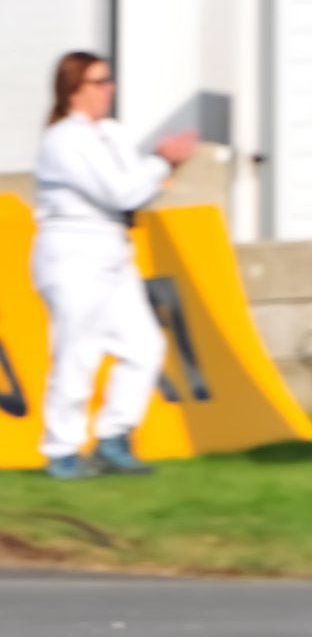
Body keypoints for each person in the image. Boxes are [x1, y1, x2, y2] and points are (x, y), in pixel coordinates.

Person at [32, 51, 197, 479]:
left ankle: (113, 437)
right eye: (100, 82)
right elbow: (120, 192)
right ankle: (62, 449)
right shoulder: (64, 139)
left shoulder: (112, 134)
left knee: (144, 345)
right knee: (77, 351)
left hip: (112, 249)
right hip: (73, 251)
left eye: (109, 80)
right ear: (75, 90)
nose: (110, 89)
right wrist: (163, 163)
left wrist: (163, 166)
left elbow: (137, 188)